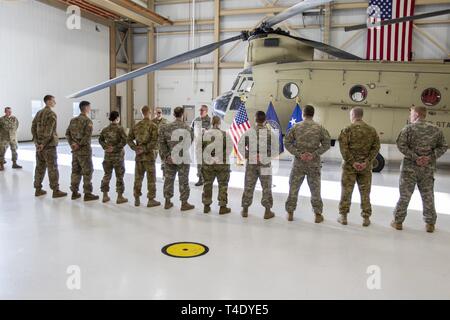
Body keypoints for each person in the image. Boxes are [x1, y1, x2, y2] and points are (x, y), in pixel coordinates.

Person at [391, 106, 448, 233]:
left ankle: (398, 222)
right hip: (427, 169)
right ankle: (430, 224)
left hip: (409, 169)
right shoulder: (436, 129)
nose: (410, 116)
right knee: (428, 196)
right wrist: (429, 158)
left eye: (411, 113)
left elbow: (400, 144)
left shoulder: (408, 128)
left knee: (405, 195)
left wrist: (415, 157)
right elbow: (443, 146)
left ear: (416, 114)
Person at [284, 105, 331, 222]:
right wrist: (314, 154)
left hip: (298, 164)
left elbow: (287, 142)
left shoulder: (296, 127)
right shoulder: (319, 128)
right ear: (313, 114)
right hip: (313, 164)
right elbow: (327, 144)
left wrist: (299, 154)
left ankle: (290, 213)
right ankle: (318, 215)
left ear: (302, 114)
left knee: (293, 188)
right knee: (315, 189)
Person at [338, 107, 380, 227]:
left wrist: (353, 162)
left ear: (353, 115)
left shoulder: (347, 129)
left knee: (346, 191)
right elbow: (376, 147)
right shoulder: (371, 130)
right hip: (365, 167)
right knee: (365, 192)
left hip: (349, 167)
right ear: (361, 115)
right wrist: (367, 161)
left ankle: (343, 216)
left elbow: (343, 149)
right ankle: (366, 218)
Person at [239, 111, 277, 219]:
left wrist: (249, 156)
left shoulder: (249, 132)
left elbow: (240, 146)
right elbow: (275, 149)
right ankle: (267, 211)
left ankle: (245, 210)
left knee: (248, 186)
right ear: (265, 120)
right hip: (265, 164)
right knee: (266, 186)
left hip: (251, 164)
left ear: (255, 119)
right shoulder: (270, 133)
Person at [159, 106, 195, 211]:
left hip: (170, 158)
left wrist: (167, 156)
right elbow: (189, 143)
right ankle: (184, 203)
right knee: (183, 180)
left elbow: (161, 143)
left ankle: (167, 201)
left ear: (174, 115)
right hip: (183, 158)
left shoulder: (165, 127)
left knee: (168, 180)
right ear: (182, 114)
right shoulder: (188, 128)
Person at [31, 95, 67, 198]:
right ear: (48, 101)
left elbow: (33, 127)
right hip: (48, 146)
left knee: (39, 167)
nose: (55, 102)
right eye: (53, 100)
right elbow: (49, 131)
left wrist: (37, 143)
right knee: (53, 168)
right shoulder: (51, 114)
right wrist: (43, 144)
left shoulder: (38, 113)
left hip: (39, 147)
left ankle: (38, 189)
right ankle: (55, 190)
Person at [128, 106, 160, 208]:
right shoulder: (153, 126)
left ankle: (136, 198)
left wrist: (136, 148)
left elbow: (128, 139)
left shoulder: (136, 126)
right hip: (149, 156)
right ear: (149, 112)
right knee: (151, 179)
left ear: (142, 113)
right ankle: (151, 199)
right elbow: (155, 141)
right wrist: (145, 149)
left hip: (139, 157)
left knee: (138, 178)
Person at [66, 101, 99, 201]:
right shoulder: (88, 121)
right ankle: (87, 193)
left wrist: (73, 144)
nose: (90, 109)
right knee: (87, 171)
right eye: (89, 107)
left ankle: (74, 192)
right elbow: (87, 136)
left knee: (75, 171)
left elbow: (67, 134)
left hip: (75, 151)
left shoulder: (73, 120)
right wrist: (79, 145)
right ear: (86, 108)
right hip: (84, 151)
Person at [201, 116, 232, 215]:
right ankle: (222, 207)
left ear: (211, 123)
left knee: (207, 184)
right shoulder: (225, 134)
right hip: (222, 164)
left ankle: (206, 206)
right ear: (219, 123)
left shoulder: (205, 134)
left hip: (208, 164)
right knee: (223, 185)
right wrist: (218, 157)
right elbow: (229, 149)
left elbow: (199, 149)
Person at [99, 111, 128, 204]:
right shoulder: (120, 129)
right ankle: (120, 197)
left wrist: (106, 147)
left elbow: (100, 140)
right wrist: (115, 148)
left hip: (107, 156)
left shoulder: (105, 129)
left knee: (107, 175)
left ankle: (105, 195)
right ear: (118, 118)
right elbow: (125, 141)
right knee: (119, 176)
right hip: (118, 157)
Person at [191, 105, 211, 186]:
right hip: (198, 144)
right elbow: (191, 130)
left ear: (206, 111)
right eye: (200, 110)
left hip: (207, 145)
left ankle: (207, 179)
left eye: (202, 110)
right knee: (199, 162)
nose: (200, 112)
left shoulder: (210, 120)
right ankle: (200, 178)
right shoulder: (196, 120)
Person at [151, 107, 169, 179]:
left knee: (164, 161)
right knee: (152, 161)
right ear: (155, 113)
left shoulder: (166, 121)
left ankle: (164, 175)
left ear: (162, 113)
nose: (158, 114)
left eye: (160, 112)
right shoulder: (152, 122)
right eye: (157, 112)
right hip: (154, 145)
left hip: (162, 145)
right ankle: (153, 175)